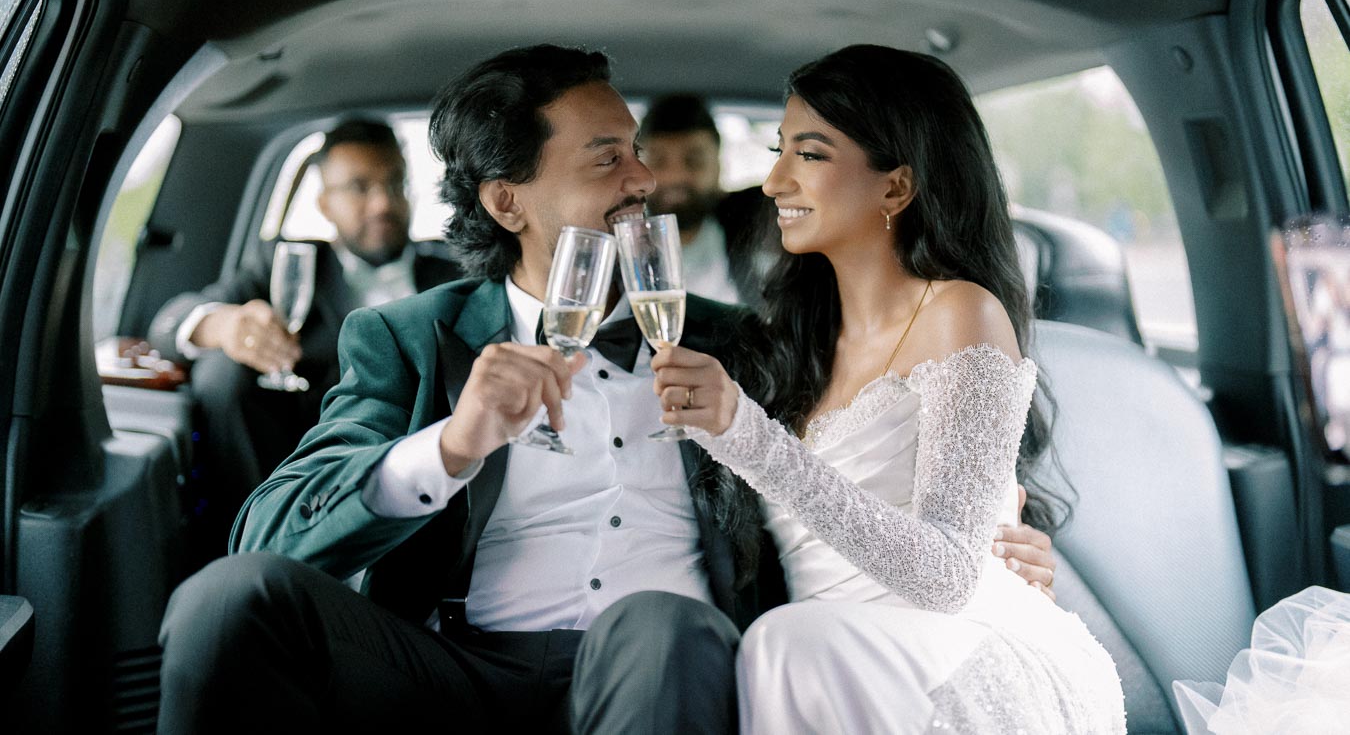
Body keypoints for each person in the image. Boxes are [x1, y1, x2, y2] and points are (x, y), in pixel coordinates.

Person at [155, 45, 1062, 734]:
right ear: (509, 201)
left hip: (671, 660)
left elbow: (879, 443)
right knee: (228, 599)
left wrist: (994, 551)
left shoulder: (738, 342)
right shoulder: (405, 336)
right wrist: (451, 446)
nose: (645, 179)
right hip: (458, 663)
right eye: (607, 160)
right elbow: (271, 529)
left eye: (637, 152)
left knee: (657, 626)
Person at [650, 45, 1125, 732]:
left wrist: (747, 438)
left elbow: (949, 578)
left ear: (896, 188)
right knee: (787, 643)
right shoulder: (792, 343)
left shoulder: (962, 313)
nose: (773, 181)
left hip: (958, 660)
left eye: (808, 155)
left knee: (785, 644)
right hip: (833, 664)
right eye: (779, 150)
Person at [147, 119, 460, 554]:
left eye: (395, 184)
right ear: (325, 203)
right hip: (319, 477)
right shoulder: (287, 265)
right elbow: (168, 321)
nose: (382, 203)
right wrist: (225, 326)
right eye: (359, 187)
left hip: (434, 477)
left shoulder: (456, 270)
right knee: (221, 374)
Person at [640, 94, 774, 305]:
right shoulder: (617, 245)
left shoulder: (756, 223)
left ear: (719, 168)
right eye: (658, 161)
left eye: (694, 161)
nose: (676, 176)